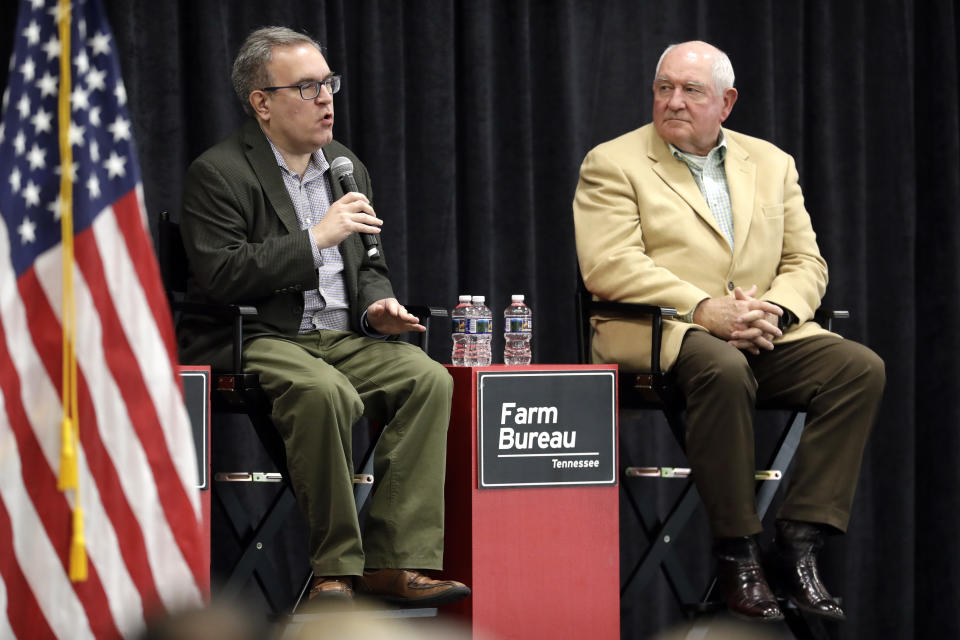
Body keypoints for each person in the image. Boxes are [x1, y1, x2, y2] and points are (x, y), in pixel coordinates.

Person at [573, 41, 885, 622]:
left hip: (760, 333)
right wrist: (701, 308)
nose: (673, 101)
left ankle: (797, 543)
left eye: (691, 91)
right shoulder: (612, 162)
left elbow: (806, 263)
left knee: (858, 368)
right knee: (721, 364)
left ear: (727, 101)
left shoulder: (771, 162)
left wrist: (777, 312)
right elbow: (610, 263)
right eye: (664, 88)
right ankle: (737, 552)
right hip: (659, 334)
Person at [178, 26, 469, 606]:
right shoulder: (219, 173)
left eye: (329, 83)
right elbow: (222, 274)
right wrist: (314, 239)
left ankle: (393, 563)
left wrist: (376, 309)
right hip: (259, 333)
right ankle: (336, 568)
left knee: (426, 378)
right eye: (307, 87)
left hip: (341, 335)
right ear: (262, 102)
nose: (327, 99)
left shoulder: (343, 164)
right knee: (322, 391)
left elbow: (370, 262)